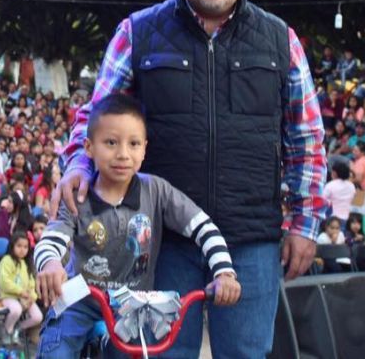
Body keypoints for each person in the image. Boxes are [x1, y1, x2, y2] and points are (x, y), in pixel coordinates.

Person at [54, 0, 326, 358]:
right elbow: (95, 118)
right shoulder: (137, 34)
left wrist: (304, 224)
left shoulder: (281, 40)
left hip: (250, 242)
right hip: (159, 244)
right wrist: (79, 166)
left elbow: (306, 139)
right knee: (154, 354)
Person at [37, 94, 241, 358]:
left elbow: (203, 227)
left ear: (144, 149)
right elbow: (52, 237)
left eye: (133, 144)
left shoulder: (156, 191)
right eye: (111, 142)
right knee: (56, 349)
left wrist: (224, 272)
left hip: (130, 305)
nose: (123, 154)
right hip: (80, 299)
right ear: (89, 147)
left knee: (141, 352)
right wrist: (50, 263)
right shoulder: (78, 195)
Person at [0, 232, 43, 346]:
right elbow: (4, 282)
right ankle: (7, 331)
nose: (22, 250)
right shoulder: (7, 261)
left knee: (38, 317)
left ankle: (17, 328)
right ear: (12, 246)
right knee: (16, 309)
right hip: (9, 296)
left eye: (25, 247)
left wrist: (32, 297)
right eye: (19, 246)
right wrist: (20, 292)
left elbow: (31, 283)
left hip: (25, 297)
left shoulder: (26, 263)